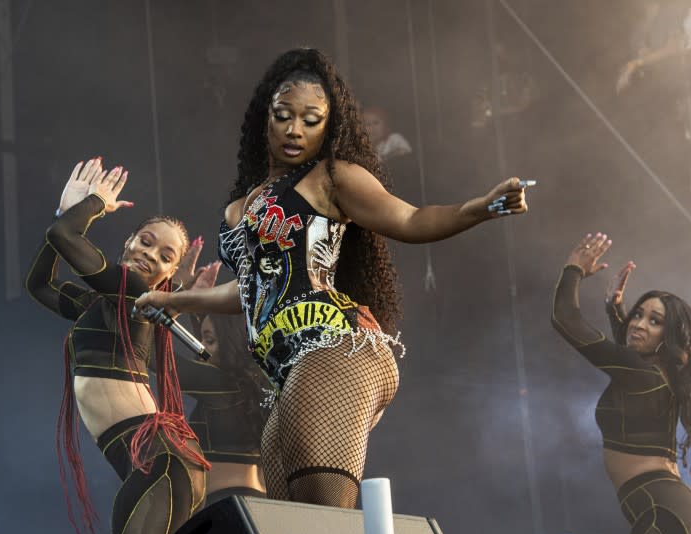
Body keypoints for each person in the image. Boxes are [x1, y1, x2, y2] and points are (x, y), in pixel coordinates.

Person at [136, 47, 529, 508]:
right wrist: (175, 302)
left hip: (332, 345)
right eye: (283, 115)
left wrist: (478, 209)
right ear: (266, 117)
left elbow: (411, 220)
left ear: (329, 125)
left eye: (310, 119)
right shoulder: (240, 206)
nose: (294, 130)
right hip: (287, 371)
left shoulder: (332, 178)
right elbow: (251, 288)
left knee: (325, 520)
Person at [26, 158, 208, 534]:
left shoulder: (132, 293)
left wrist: (89, 205)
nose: (149, 254)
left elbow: (63, 234)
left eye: (164, 255)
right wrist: (64, 214)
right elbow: (38, 284)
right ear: (127, 241)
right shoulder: (103, 302)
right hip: (164, 461)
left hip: (160, 458)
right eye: (145, 240)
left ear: (169, 275)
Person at [552, 233, 691, 534]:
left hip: (667, 511)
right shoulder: (665, 378)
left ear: (669, 338)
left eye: (654, 321)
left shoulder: (640, 373)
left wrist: (572, 269)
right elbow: (629, 349)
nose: (639, 324)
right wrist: (615, 309)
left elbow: (565, 318)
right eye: (638, 314)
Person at [170, 245, 272, 504]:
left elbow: (149, 354)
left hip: (230, 505)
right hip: (255, 504)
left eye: (209, 340)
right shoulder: (253, 384)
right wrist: (198, 307)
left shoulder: (221, 385)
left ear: (232, 343)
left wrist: (175, 296)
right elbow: (210, 349)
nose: (201, 350)